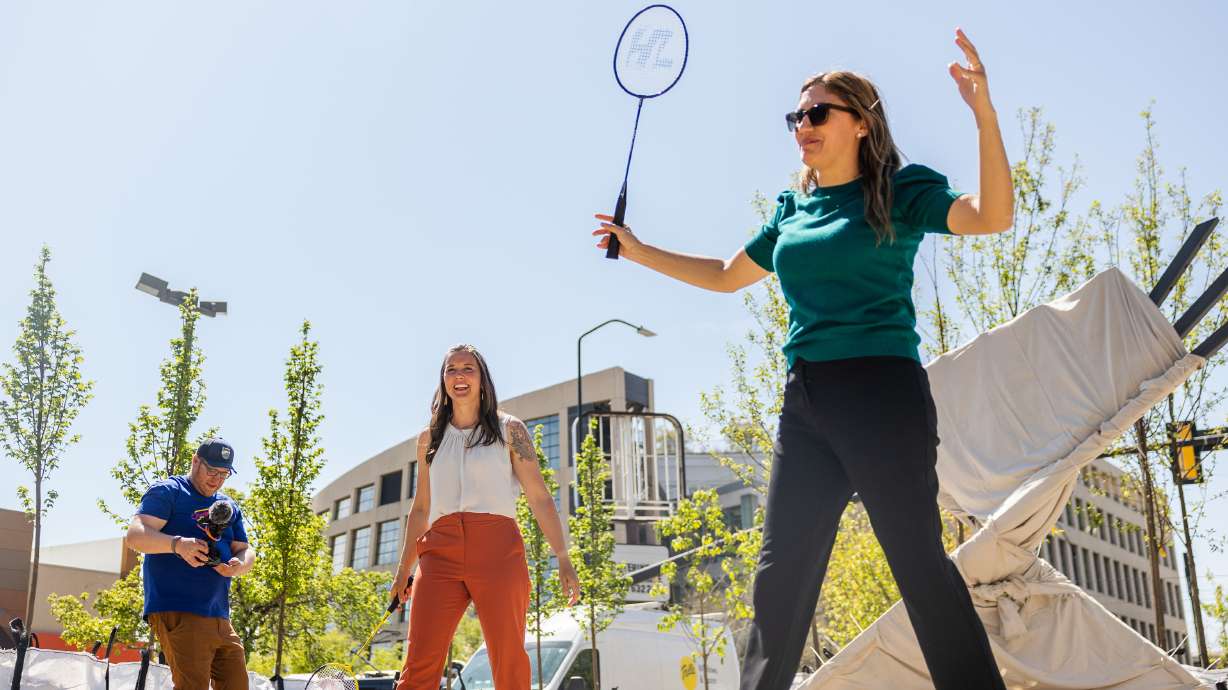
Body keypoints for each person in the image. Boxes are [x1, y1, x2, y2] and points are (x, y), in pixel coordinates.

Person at [591, 29, 1013, 690]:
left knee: (918, 565)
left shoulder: (903, 192)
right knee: (779, 577)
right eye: (796, 116)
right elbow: (730, 275)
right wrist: (640, 249)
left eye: (818, 113)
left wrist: (984, 114)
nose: (803, 127)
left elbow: (992, 217)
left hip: (882, 395)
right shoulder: (794, 208)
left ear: (862, 124)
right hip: (806, 403)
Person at [392, 344, 582, 690]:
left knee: (508, 660)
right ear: (443, 380)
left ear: (482, 380)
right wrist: (404, 569)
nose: (459, 376)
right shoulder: (428, 439)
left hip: (497, 551)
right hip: (438, 553)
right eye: (451, 370)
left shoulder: (511, 430)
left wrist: (563, 556)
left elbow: (539, 497)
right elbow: (420, 508)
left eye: (468, 369)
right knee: (418, 664)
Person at [126, 438, 255, 690]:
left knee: (237, 684)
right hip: (179, 609)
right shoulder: (169, 491)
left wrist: (238, 565)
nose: (217, 479)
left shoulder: (228, 506)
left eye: (224, 474)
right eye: (212, 471)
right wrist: (177, 544)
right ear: (195, 461)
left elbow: (245, 550)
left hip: (219, 615)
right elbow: (135, 535)